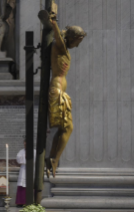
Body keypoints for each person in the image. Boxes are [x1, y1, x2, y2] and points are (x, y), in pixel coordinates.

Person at [47, 15, 86, 177]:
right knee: (68, 127)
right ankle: (54, 159)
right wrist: (54, 23)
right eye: (78, 41)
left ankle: (52, 158)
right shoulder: (60, 46)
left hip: (59, 89)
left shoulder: (63, 48)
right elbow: (58, 37)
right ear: (73, 38)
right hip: (57, 89)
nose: (77, 45)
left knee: (64, 128)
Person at [15, 140, 26, 207]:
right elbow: (19, 159)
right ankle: (21, 202)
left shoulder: (34, 151)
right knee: (22, 185)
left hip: (31, 169)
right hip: (23, 169)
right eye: (24, 143)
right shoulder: (21, 151)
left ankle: (30, 201)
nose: (25, 144)